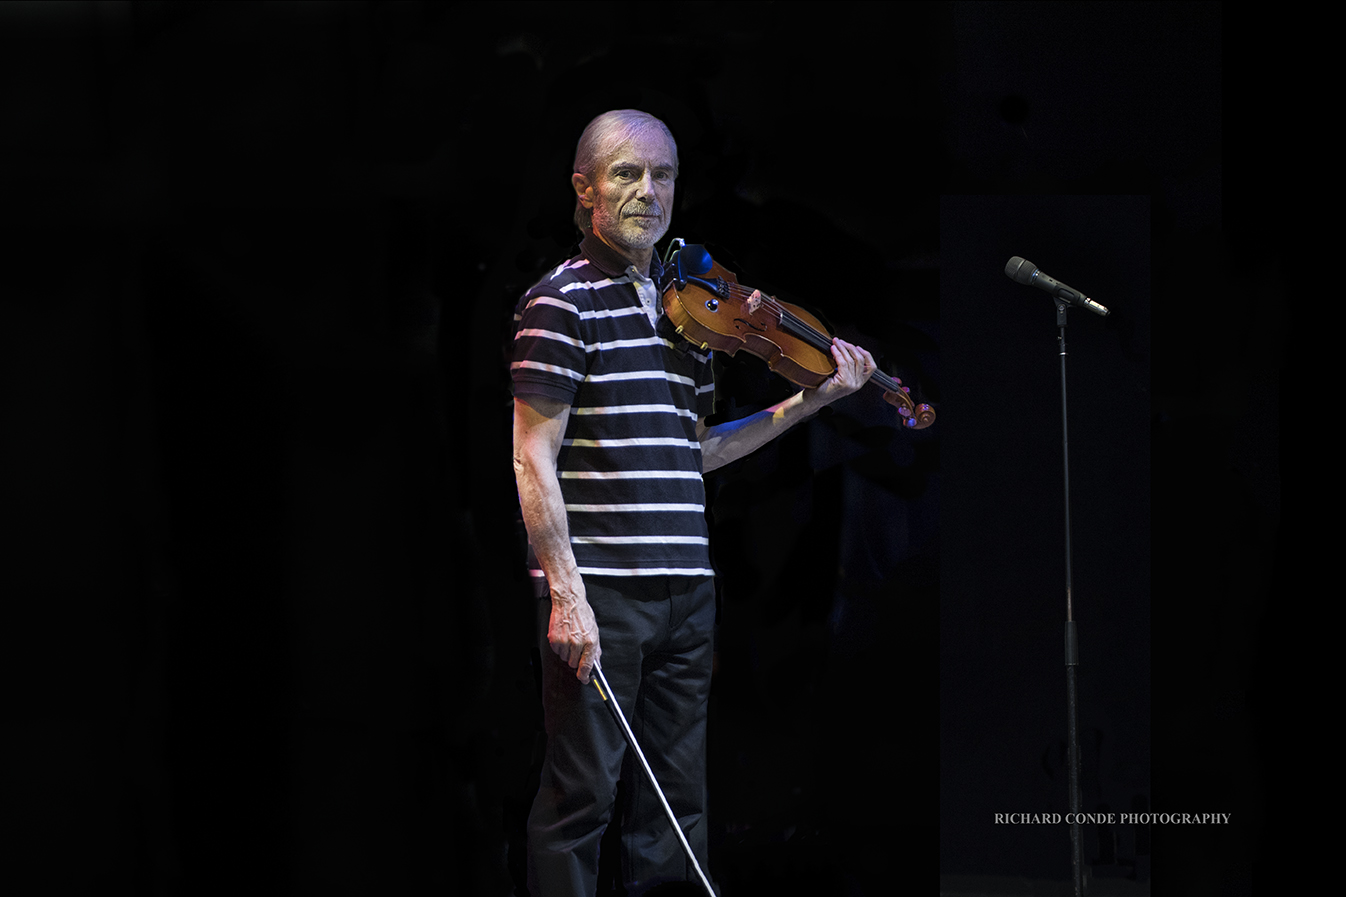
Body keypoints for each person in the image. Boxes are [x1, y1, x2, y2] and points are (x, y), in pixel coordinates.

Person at [511, 109, 883, 896]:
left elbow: (697, 451)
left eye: (664, 174)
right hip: (603, 593)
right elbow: (531, 455)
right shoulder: (559, 304)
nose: (650, 191)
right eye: (627, 173)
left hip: (689, 591)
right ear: (585, 187)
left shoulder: (690, 321)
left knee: (677, 807)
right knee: (582, 801)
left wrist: (807, 404)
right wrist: (567, 595)